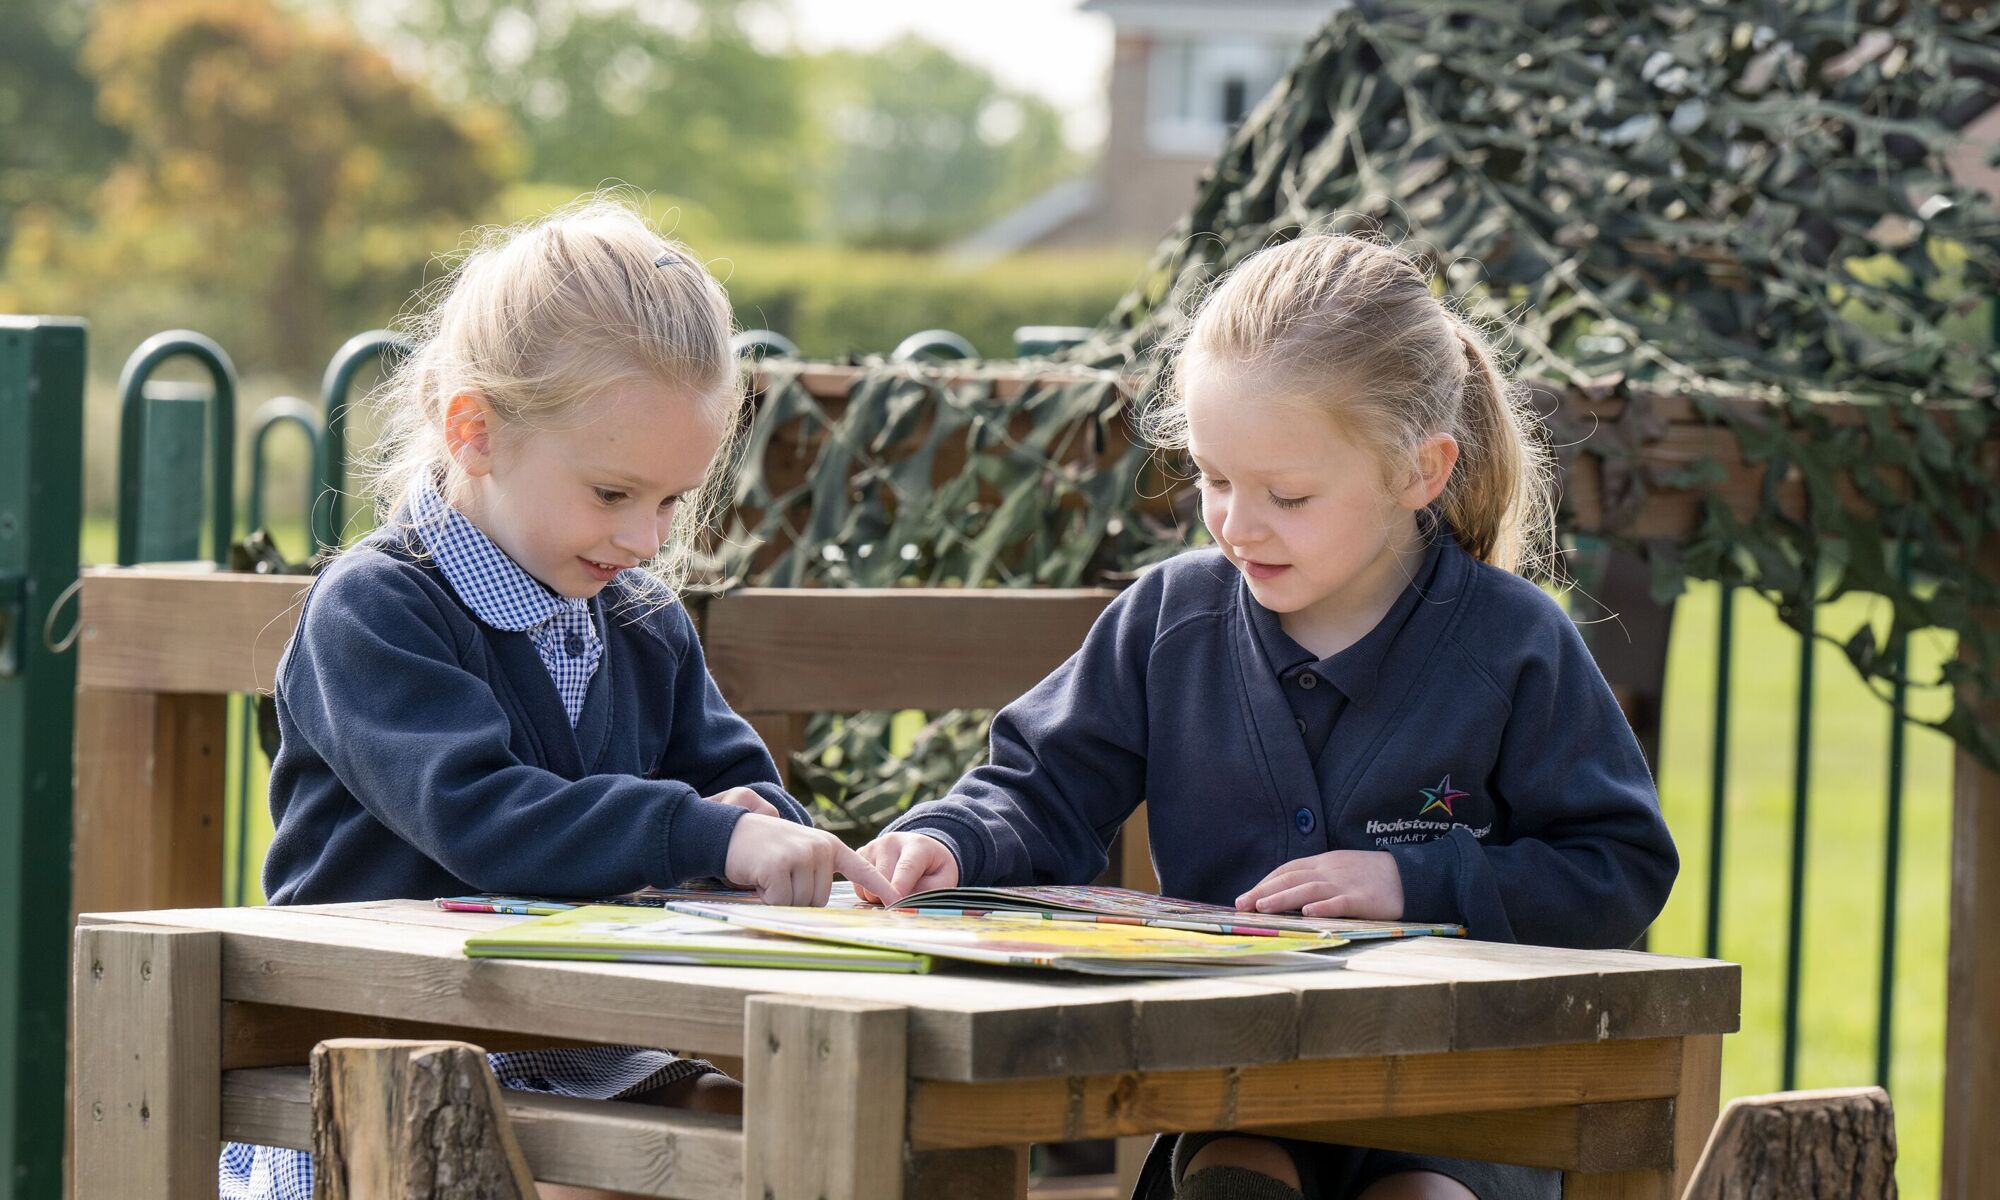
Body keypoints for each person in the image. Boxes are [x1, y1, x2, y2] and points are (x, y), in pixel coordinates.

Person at [858, 233, 1677, 1200]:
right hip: (1243, 1095)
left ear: (1421, 472)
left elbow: (1618, 867)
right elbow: (1042, 788)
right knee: (1237, 1185)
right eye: (1213, 479)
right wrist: (953, 839)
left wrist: (1417, 881)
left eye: (1287, 495)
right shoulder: (1170, 622)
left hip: (1463, 1103)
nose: (1238, 525)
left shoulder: (1513, 643)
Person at [222, 196, 890, 1200]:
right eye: (614, 495)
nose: (647, 538)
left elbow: (730, 787)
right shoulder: (377, 610)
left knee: (787, 1140)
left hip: (579, 1043)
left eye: (671, 500)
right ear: (476, 432)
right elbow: (482, 816)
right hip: (382, 1049)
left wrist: (785, 845)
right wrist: (703, 837)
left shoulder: (639, 622)